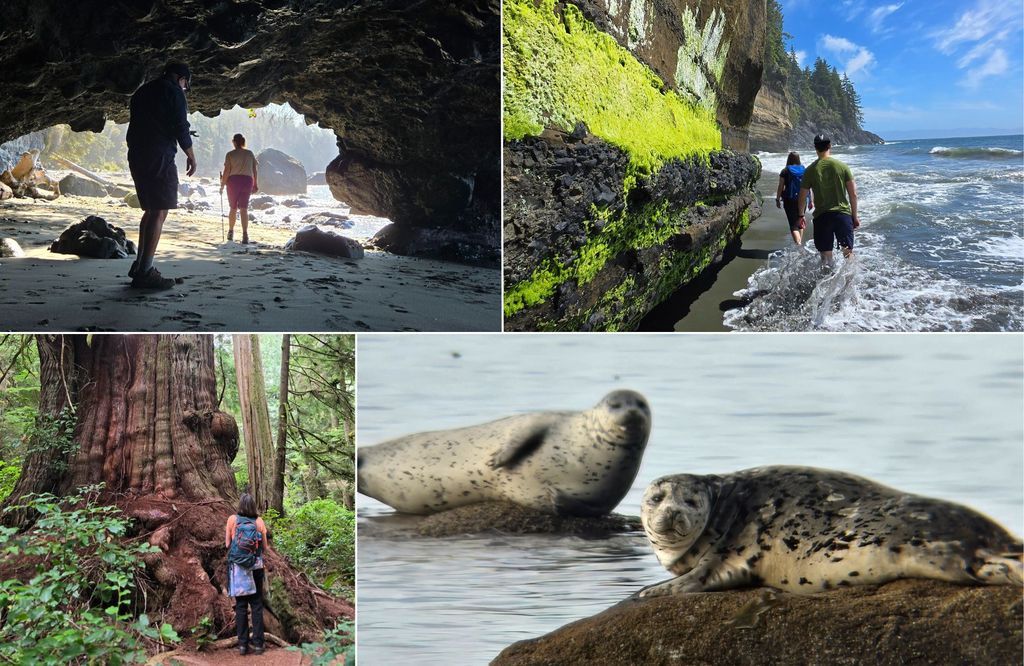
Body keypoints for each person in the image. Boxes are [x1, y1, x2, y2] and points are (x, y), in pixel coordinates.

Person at [125, 62, 197, 289]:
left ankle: (139, 265)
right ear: (180, 79)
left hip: (137, 154)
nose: (184, 89)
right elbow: (180, 125)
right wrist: (191, 155)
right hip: (159, 156)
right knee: (160, 211)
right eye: (185, 85)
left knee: (150, 210)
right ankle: (145, 271)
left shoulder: (142, 91)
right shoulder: (173, 92)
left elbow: (149, 121)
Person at [798, 134, 861, 266]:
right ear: (830, 146)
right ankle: (849, 285)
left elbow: (802, 195)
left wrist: (801, 215)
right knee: (848, 254)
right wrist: (854, 217)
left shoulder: (810, 170)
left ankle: (826, 283)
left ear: (815, 148)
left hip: (822, 217)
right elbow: (853, 194)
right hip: (842, 215)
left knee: (826, 258)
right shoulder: (842, 166)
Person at [225, 494, 269, 656]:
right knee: (257, 605)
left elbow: (228, 544)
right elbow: (264, 547)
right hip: (256, 566)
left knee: (241, 606)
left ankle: (243, 645)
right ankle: (258, 644)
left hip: (238, 568)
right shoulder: (259, 522)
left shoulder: (232, 520)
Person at [220, 134, 259, 244]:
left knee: (233, 208)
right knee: (244, 208)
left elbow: (227, 171)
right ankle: (245, 235)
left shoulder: (230, 155)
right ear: (243, 141)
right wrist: (255, 184)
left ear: (234, 142)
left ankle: (231, 232)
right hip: (247, 181)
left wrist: (222, 184)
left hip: (233, 181)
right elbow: (254, 170)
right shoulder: (250, 153)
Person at [775, 152, 813, 245]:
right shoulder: (805, 170)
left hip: (789, 199)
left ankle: (798, 244)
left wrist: (777, 199)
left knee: (793, 225)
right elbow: (809, 186)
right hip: (803, 199)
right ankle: (800, 242)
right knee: (800, 221)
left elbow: (781, 186)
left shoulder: (785, 171)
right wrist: (811, 200)